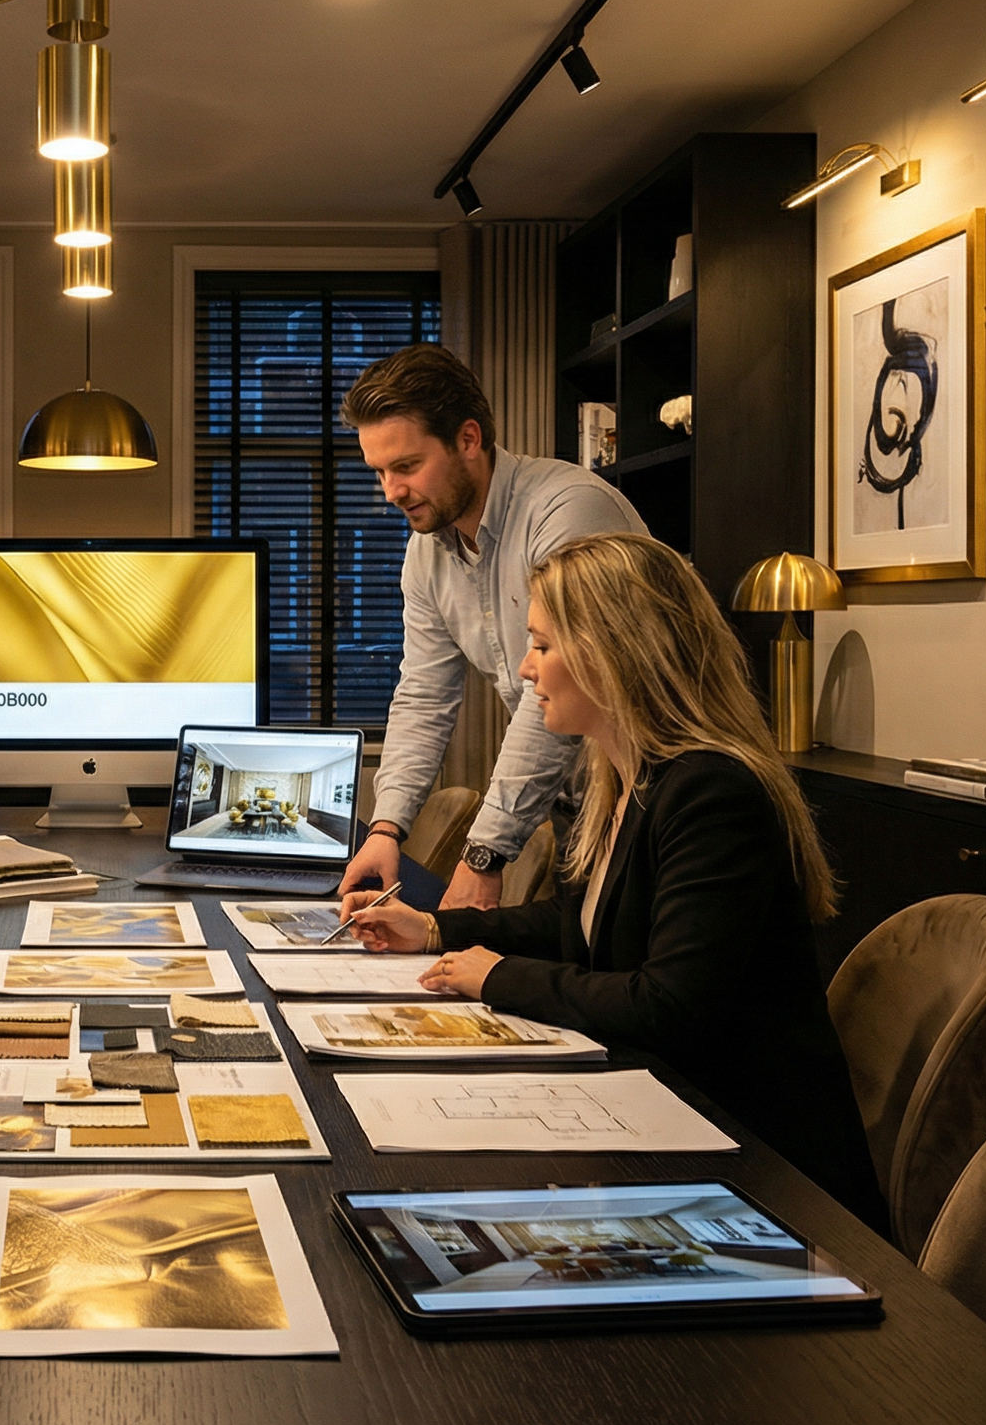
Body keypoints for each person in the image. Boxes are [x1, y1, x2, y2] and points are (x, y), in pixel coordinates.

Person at [345, 531, 889, 1231]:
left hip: (766, 1181)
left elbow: (670, 1005)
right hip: (676, 1126)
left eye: (542, 644)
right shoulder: (626, 779)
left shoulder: (711, 793)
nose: (526, 669)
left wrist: (496, 975)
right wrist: (437, 927)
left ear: (611, 651)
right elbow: (578, 926)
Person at [337, 343, 644, 910]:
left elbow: (550, 692)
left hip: (651, 801)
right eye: (378, 471)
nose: (391, 492)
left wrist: (485, 852)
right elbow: (424, 695)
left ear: (469, 440)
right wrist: (386, 829)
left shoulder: (568, 512)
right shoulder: (427, 554)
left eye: (406, 466)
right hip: (576, 805)